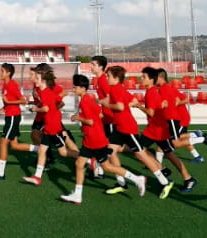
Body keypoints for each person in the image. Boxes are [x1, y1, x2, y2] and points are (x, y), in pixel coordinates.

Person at [60, 74, 145, 204]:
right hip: (92, 139)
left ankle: (137, 179)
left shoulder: (84, 101)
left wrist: (77, 118)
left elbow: (90, 122)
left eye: (75, 87)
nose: (73, 89)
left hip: (94, 141)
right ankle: (77, 195)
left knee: (107, 167)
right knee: (80, 164)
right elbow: (99, 114)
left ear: (82, 88)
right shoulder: (89, 98)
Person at [100, 66, 172, 199]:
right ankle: (121, 183)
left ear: (115, 78)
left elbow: (121, 106)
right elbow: (132, 99)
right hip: (119, 128)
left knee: (142, 156)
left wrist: (106, 104)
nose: (106, 78)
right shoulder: (119, 88)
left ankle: (165, 182)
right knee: (111, 152)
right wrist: (133, 103)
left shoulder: (116, 89)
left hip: (128, 129)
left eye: (108, 76)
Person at [22, 70, 79, 186]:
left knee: (63, 152)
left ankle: (88, 160)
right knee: (42, 151)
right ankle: (37, 177)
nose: (35, 81)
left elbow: (46, 109)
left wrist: (35, 109)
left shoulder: (45, 92)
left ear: (43, 81)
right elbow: (57, 103)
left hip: (53, 128)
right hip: (48, 127)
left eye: (37, 79)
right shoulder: (45, 92)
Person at [0, 63, 39, 180]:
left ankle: (0, 173)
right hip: (10, 116)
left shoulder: (12, 85)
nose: (0, 73)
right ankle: (41, 149)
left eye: (2, 71)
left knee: (3, 142)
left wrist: (8, 103)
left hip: (14, 117)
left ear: (8, 73)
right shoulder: (5, 85)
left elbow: (22, 100)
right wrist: (3, 108)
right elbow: (9, 100)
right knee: (14, 145)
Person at [155, 68, 207, 168]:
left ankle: (198, 137)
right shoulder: (163, 89)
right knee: (171, 141)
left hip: (181, 119)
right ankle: (198, 155)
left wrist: (177, 103)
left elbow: (185, 100)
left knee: (174, 142)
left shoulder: (169, 89)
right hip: (176, 118)